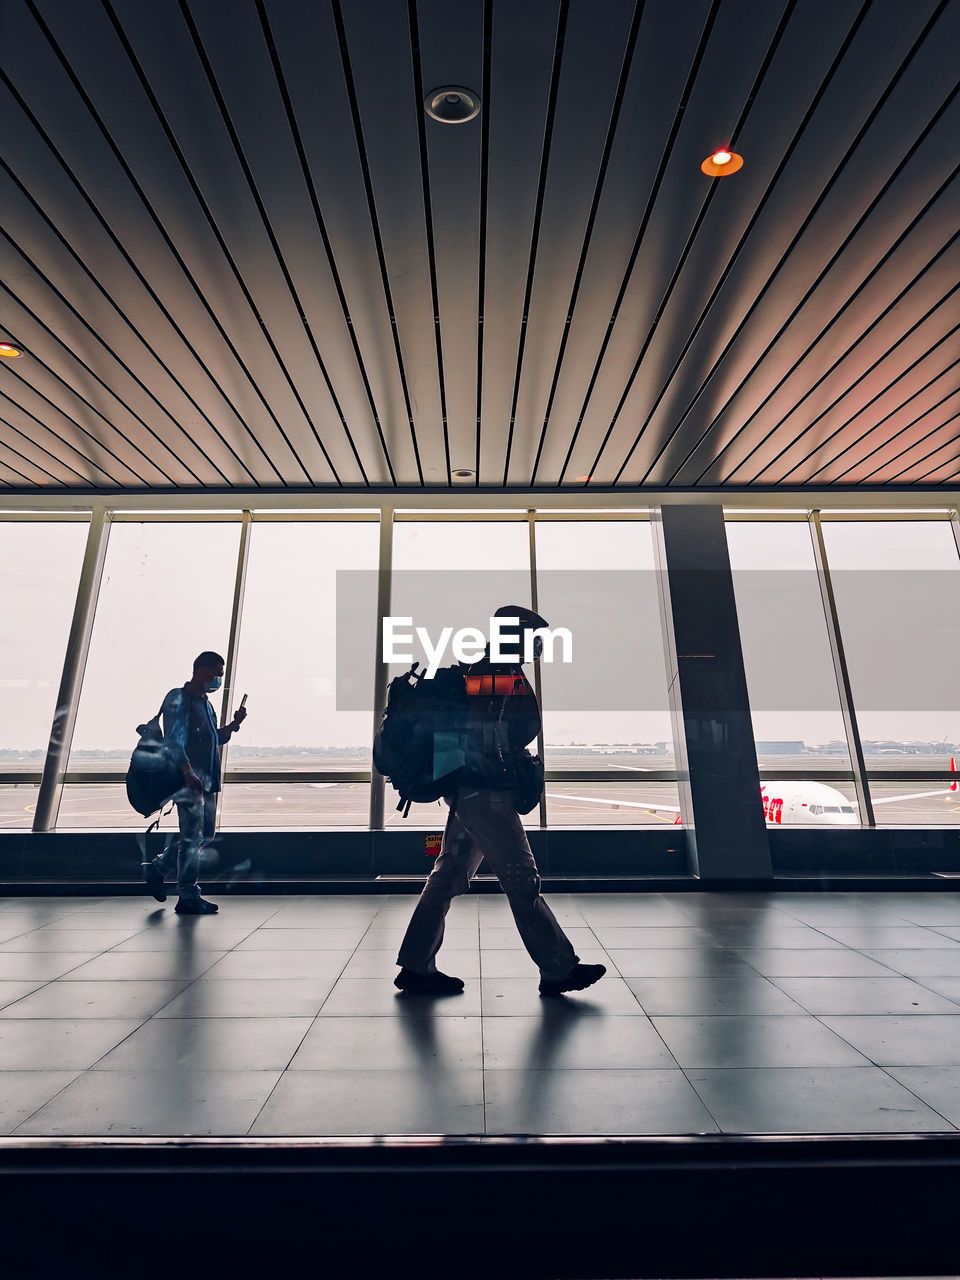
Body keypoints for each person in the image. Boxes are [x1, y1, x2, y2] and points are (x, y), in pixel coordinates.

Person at [394, 606, 606, 998]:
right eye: (534, 637)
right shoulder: (496, 674)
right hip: (485, 794)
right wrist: (509, 765)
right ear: (516, 636)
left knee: (446, 878)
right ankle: (558, 968)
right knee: (522, 879)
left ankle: (415, 966)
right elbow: (489, 734)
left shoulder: (484, 669)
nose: (540, 646)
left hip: (470, 792)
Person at [141, 651, 247, 915]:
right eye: (216, 673)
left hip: (207, 780)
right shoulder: (179, 698)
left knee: (204, 834)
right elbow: (174, 741)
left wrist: (234, 725)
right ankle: (188, 894)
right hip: (186, 780)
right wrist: (188, 772)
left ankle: (159, 868)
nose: (218, 679)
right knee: (191, 837)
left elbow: (215, 740)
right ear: (201, 670)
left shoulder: (206, 704)